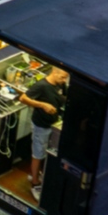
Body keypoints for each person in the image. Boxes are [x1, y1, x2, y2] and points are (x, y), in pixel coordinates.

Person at [23, 68, 68, 199]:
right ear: (55, 72)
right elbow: (23, 98)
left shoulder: (60, 84)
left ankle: (35, 173)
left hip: (53, 123)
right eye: (62, 77)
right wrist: (42, 105)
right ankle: (35, 183)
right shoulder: (41, 86)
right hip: (41, 125)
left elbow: (64, 97)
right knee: (38, 153)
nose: (64, 80)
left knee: (47, 152)